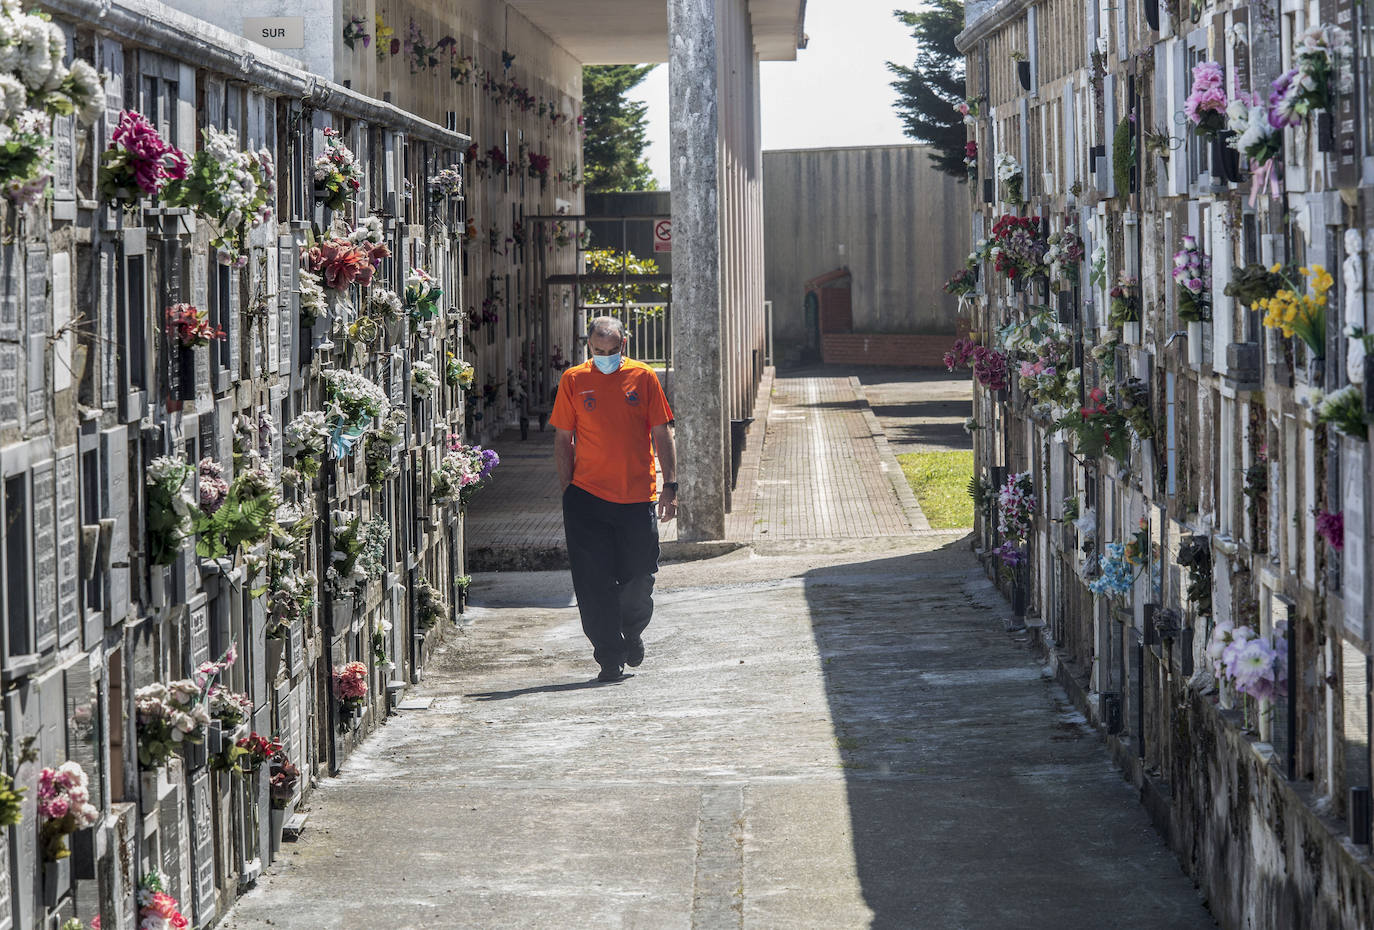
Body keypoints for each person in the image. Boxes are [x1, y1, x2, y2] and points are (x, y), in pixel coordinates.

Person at [551, 316, 677, 682]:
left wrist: (671, 485)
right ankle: (609, 656)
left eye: (612, 350)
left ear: (625, 344)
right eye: (597, 351)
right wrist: (568, 490)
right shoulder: (574, 380)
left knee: (640, 575)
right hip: (587, 499)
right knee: (593, 582)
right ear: (588, 346)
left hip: (636, 498)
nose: (604, 356)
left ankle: (632, 630)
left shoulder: (644, 377)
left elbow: (661, 431)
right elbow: (563, 439)